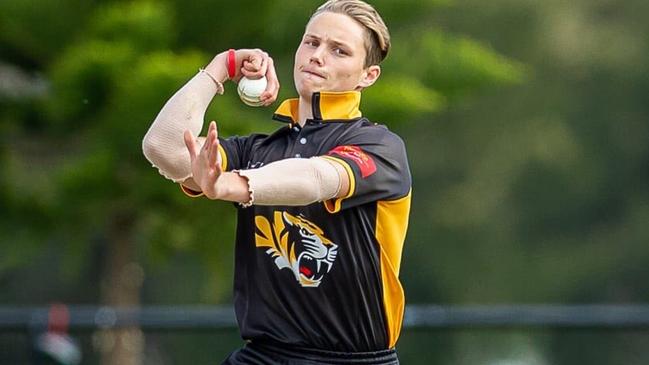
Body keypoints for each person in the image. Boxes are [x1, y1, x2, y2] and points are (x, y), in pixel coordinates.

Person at [142, 0, 411, 363]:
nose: (317, 56)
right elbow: (163, 147)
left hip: (354, 360)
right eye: (311, 42)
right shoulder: (258, 150)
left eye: (339, 51)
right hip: (263, 356)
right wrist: (223, 66)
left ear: (368, 76)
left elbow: (314, 178)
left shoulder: (380, 147)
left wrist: (229, 185)